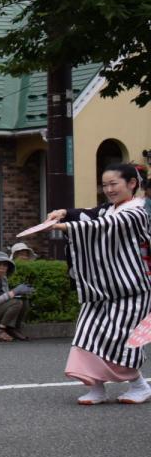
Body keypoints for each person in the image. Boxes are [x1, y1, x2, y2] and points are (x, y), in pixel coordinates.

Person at [45, 162, 151, 404]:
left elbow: (103, 226)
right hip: (101, 288)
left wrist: (66, 226)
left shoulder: (138, 211)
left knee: (119, 338)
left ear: (132, 183)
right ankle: (96, 388)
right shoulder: (110, 209)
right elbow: (91, 214)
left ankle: (140, 385)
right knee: (87, 333)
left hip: (133, 288)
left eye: (114, 184)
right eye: (105, 185)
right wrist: (64, 212)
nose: (109, 189)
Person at [0, 251, 32, 342]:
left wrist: (19, 294)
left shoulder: (3, 279)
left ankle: (13, 328)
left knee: (24, 301)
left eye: (5, 265)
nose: (2, 267)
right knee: (16, 303)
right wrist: (14, 292)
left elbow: (6, 298)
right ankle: (0, 330)